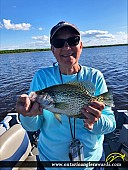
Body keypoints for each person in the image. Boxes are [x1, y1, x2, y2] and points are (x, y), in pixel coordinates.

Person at [16, 21, 116, 170]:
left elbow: (111, 125)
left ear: (81, 45)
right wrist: (27, 115)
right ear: (52, 49)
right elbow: (32, 127)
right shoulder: (42, 77)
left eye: (73, 41)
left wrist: (96, 121)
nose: (67, 47)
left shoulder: (95, 76)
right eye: (59, 42)